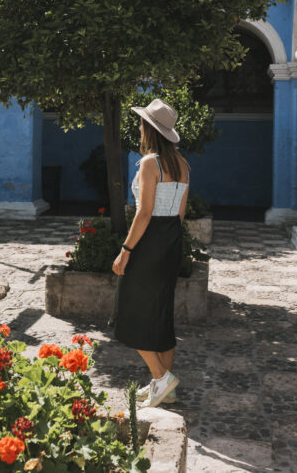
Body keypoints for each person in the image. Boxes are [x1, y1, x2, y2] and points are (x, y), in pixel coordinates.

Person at [111, 98, 189, 408]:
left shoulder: (149, 163)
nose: (139, 127)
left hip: (150, 239)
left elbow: (143, 213)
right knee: (161, 311)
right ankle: (164, 387)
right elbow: (180, 213)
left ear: (150, 130)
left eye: (142, 123)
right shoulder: (183, 164)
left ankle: (162, 376)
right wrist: (168, 242)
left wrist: (126, 250)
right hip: (171, 239)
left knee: (131, 308)